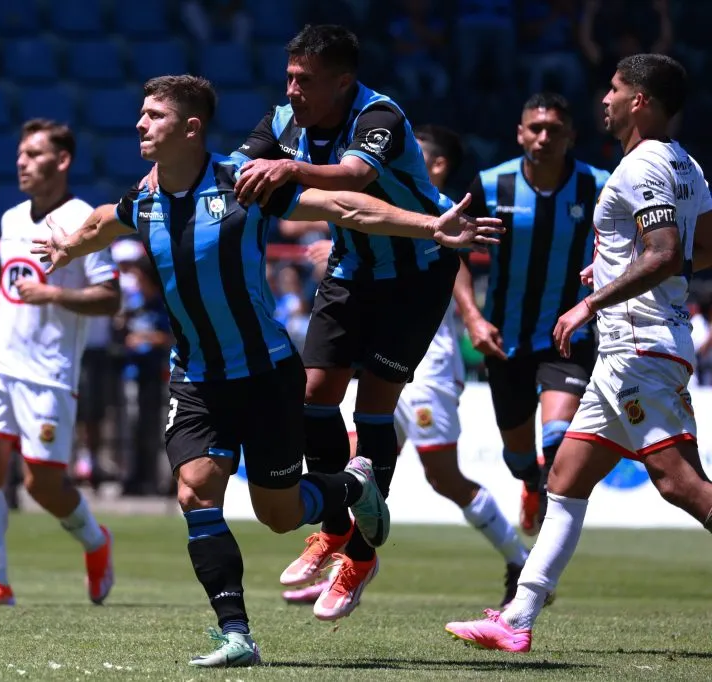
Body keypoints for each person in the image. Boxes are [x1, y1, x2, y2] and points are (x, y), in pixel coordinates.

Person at [32, 74, 502, 667]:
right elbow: (106, 219)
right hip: (196, 378)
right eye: (141, 114)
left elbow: (342, 205)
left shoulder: (242, 184)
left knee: (277, 515)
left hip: (266, 375)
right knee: (194, 490)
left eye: (153, 115)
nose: (139, 124)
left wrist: (428, 225)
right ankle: (237, 634)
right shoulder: (144, 197)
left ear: (190, 127)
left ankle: (354, 484)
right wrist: (70, 246)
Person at [446, 53, 712, 653]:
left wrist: (590, 303)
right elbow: (702, 248)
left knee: (680, 485)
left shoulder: (642, 165)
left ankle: (518, 615)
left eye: (615, 90)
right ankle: (518, 617)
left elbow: (665, 251)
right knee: (563, 479)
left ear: (639, 100)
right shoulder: (685, 164)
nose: (606, 100)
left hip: (638, 347)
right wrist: (619, 266)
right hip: (629, 351)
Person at [223, 24, 469, 621]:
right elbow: (237, 165)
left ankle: (360, 556)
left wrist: (290, 172)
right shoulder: (285, 120)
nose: (292, 89)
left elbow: (357, 177)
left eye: (304, 80)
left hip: (420, 270)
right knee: (313, 396)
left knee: (374, 409)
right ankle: (334, 526)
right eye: (289, 76)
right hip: (352, 268)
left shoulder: (378, 114)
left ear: (343, 81)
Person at [283, 124, 532, 614]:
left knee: (443, 478)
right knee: (354, 453)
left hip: (431, 364)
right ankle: (347, 554)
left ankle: (518, 558)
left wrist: (473, 315)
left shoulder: (435, 207)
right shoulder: (392, 205)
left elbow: (456, 260)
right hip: (386, 356)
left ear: (434, 164)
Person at [0, 119, 121, 610]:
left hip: (48, 371)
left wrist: (53, 294)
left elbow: (110, 299)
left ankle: (95, 541)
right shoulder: (10, 220)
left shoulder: (85, 217)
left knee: (41, 484)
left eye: (34, 153)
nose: (21, 161)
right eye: (20, 153)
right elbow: (12, 287)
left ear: (61, 161)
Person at [457, 93, 610, 535]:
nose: (544, 137)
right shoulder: (490, 185)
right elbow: (454, 252)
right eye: (535, 129)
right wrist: (473, 318)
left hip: (568, 338)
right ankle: (529, 482)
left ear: (571, 136)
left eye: (554, 130)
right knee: (520, 456)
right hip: (505, 340)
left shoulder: (597, 186)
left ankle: (547, 534)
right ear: (520, 133)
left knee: (558, 440)